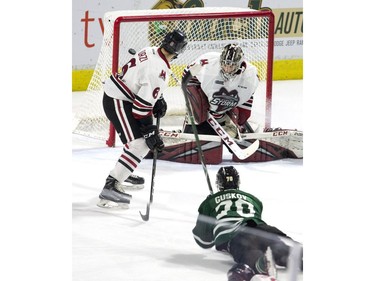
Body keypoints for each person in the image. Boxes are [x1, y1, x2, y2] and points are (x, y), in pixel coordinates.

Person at [97, 29, 188, 208]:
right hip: (118, 101)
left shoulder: (150, 49)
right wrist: (150, 132)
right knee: (140, 144)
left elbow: (140, 81)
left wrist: (158, 98)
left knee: (136, 143)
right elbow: (141, 110)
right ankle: (111, 186)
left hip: (122, 95)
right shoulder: (158, 71)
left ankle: (123, 171)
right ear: (180, 51)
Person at [192, 166, 303, 281]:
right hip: (262, 229)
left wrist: (209, 208)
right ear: (238, 182)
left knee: (250, 255)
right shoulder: (253, 199)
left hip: (236, 235)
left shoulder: (210, 202)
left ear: (218, 183)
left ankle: (259, 265)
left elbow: (203, 242)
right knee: (284, 249)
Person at [181, 43, 259, 139]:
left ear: (239, 64)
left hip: (225, 93)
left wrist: (234, 112)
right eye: (225, 64)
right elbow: (187, 74)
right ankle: (191, 127)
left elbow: (250, 93)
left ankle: (231, 125)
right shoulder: (209, 63)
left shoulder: (250, 75)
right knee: (199, 115)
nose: (227, 69)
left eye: (232, 66)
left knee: (242, 118)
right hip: (199, 86)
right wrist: (195, 99)